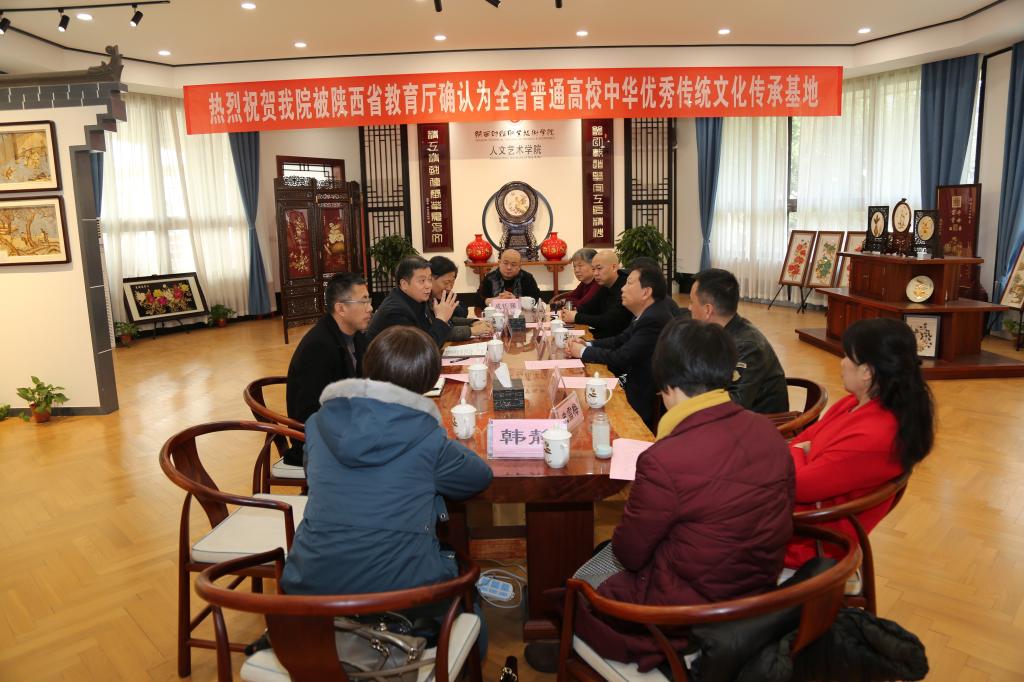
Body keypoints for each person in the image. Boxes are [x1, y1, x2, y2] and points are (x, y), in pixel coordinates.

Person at [571, 319, 794, 671]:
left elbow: (629, 554)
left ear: (666, 381)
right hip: (755, 595)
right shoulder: (769, 432)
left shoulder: (665, 458)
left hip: (687, 614)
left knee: (575, 595)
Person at [281, 325, 494, 598]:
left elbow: (314, 475)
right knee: (468, 600)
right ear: (428, 381)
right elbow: (479, 477)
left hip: (311, 586)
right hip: (400, 593)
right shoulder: (427, 436)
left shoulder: (318, 422)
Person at [784, 318, 934, 569]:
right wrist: (803, 451)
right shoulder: (856, 403)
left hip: (809, 539)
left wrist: (800, 452)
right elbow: (802, 440)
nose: (841, 363)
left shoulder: (874, 435)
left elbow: (798, 485)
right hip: (796, 516)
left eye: (846, 356)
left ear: (867, 372)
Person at [566, 261, 678, 430]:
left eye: (629, 284)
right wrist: (588, 343)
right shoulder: (648, 311)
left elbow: (621, 357)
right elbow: (620, 340)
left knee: (588, 411)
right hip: (632, 380)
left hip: (641, 396)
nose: (622, 289)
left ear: (646, 292)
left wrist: (583, 352)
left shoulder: (654, 318)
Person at [284, 272, 372, 466]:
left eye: (369, 300)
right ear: (341, 308)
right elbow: (310, 412)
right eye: (363, 302)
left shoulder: (356, 336)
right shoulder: (319, 347)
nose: (370, 308)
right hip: (320, 442)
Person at [688, 268, 789, 413]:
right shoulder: (721, 332)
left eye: (692, 302)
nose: (689, 307)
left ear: (707, 310)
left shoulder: (748, 347)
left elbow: (735, 404)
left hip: (762, 422)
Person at [368, 256, 458, 347]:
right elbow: (422, 349)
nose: (428, 286)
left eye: (429, 279)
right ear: (404, 284)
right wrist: (441, 319)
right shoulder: (396, 312)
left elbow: (427, 335)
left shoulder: (418, 300)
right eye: (422, 281)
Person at [559, 250, 631, 339]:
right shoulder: (605, 285)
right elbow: (588, 307)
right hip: (603, 336)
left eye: (599, 268)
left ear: (614, 267)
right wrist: (572, 313)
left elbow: (609, 320)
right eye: (593, 269)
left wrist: (576, 317)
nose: (595, 273)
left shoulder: (626, 286)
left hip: (618, 341)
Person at [429, 256, 493, 341]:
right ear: (431, 278)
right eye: (446, 282)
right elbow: (437, 333)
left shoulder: (441, 296)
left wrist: (473, 322)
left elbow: (450, 320)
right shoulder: (423, 301)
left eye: (452, 282)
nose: (449, 287)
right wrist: (471, 330)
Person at [477, 248, 542, 306]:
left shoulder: (527, 278)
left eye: (513, 265)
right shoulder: (490, 278)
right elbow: (477, 299)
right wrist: (496, 300)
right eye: (505, 263)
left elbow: (536, 298)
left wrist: (516, 300)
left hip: (521, 315)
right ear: (499, 263)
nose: (509, 267)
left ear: (519, 266)